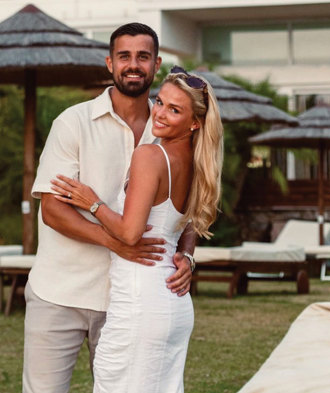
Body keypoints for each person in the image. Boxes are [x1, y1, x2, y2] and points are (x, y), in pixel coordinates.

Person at [23, 23, 196, 393]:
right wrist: (115, 241)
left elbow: (190, 210)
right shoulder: (73, 122)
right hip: (61, 292)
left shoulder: (170, 123)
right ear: (110, 63)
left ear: (156, 64)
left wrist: (187, 256)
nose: (133, 65)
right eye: (124, 56)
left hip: (131, 299)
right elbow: (53, 210)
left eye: (143, 57)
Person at [51, 66, 223, 392]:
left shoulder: (150, 155)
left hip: (140, 302)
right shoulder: (198, 161)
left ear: (195, 122)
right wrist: (186, 254)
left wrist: (92, 202)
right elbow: (187, 225)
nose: (159, 113)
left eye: (175, 110)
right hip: (173, 304)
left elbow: (130, 235)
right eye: (160, 102)